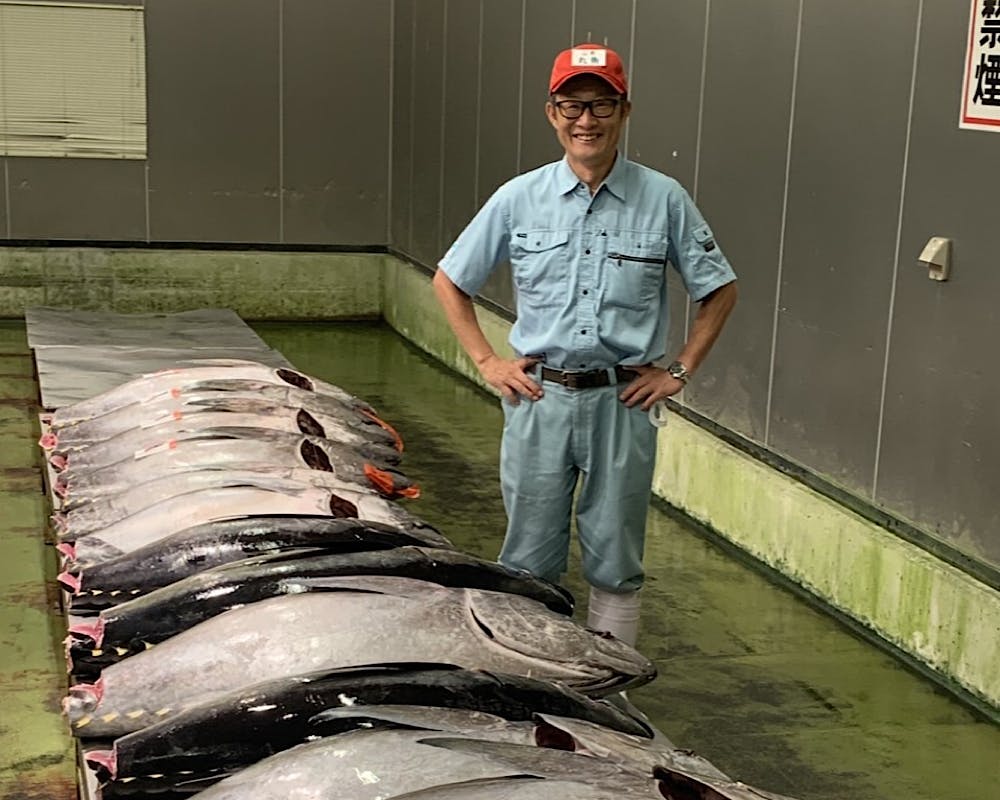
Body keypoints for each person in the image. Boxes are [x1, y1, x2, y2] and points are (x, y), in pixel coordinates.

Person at [433, 43, 737, 648]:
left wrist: (679, 370)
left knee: (616, 558)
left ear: (625, 111)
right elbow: (450, 280)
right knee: (527, 559)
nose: (586, 120)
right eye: (572, 105)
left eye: (601, 104)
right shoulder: (518, 198)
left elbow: (720, 289)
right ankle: (535, 674)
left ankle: (609, 685)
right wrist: (487, 361)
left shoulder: (664, 199)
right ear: (552, 113)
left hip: (621, 404)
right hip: (539, 399)